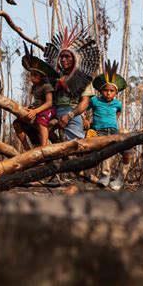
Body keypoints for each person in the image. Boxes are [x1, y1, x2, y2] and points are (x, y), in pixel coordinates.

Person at [43, 26, 100, 141]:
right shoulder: (54, 76)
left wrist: (70, 116)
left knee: (77, 143)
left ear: (74, 59)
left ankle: (78, 155)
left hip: (71, 111)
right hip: (52, 110)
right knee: (34, 125)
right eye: (61, 57)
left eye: (67, 57)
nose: (63, 60)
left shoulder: (84, 78)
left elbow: (85, 102)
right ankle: (54, 151)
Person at [88, 60, 132, 190]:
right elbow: (85, 110)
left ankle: (120, 178)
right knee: (106, 152)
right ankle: (105, 176)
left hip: (114, 130)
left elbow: (118, 113)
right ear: (101, 91)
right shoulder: (94, 100)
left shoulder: (117, 103)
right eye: (105, 90)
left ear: (116, 92)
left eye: (111, 91)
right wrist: (87, 121)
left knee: (128, 152)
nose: (108, 93)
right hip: (99, 131)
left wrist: (113, 122)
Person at [13, 43, 60, 150]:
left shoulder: (46, 86)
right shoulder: (34, 88)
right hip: (37, 108)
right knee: (17, 122)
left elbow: (49, 102)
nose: (32, 77)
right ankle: (27, 149)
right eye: (31, 75)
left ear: (42, 77)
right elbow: (36, 102)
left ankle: (44, 148)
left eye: (35, 75)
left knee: (41, 121)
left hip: (48, 109)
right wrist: (28, 109)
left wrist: (35, 111)